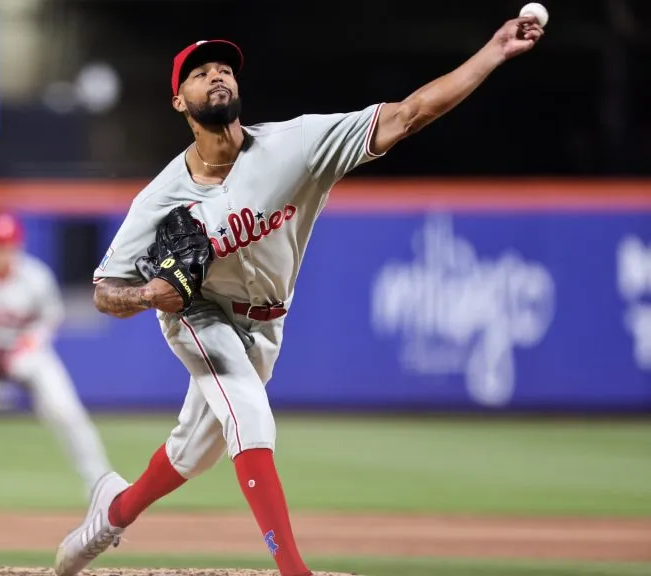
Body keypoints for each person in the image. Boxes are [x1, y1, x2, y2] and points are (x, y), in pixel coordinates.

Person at [53, 15, 545, 576]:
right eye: (199, 72)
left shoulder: (297, 144)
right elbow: (104, 292)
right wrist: (149, 294)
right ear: (179, 101)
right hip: (198, 313)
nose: (217, 76)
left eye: (224, 69)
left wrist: (493, 52)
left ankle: (112, 512)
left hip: (266, 324)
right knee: (249, 416)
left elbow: (409, 115)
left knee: (195, 451)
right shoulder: (161, 197)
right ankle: (294, 570)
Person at [0, 211, 112, 514]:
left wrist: (22, 351)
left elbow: (50, 319)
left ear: (17, 245)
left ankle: (99, 483)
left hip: (26, 353)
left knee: (66, 411)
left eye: (6, 244)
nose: (1, 251)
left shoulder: (35, 276)